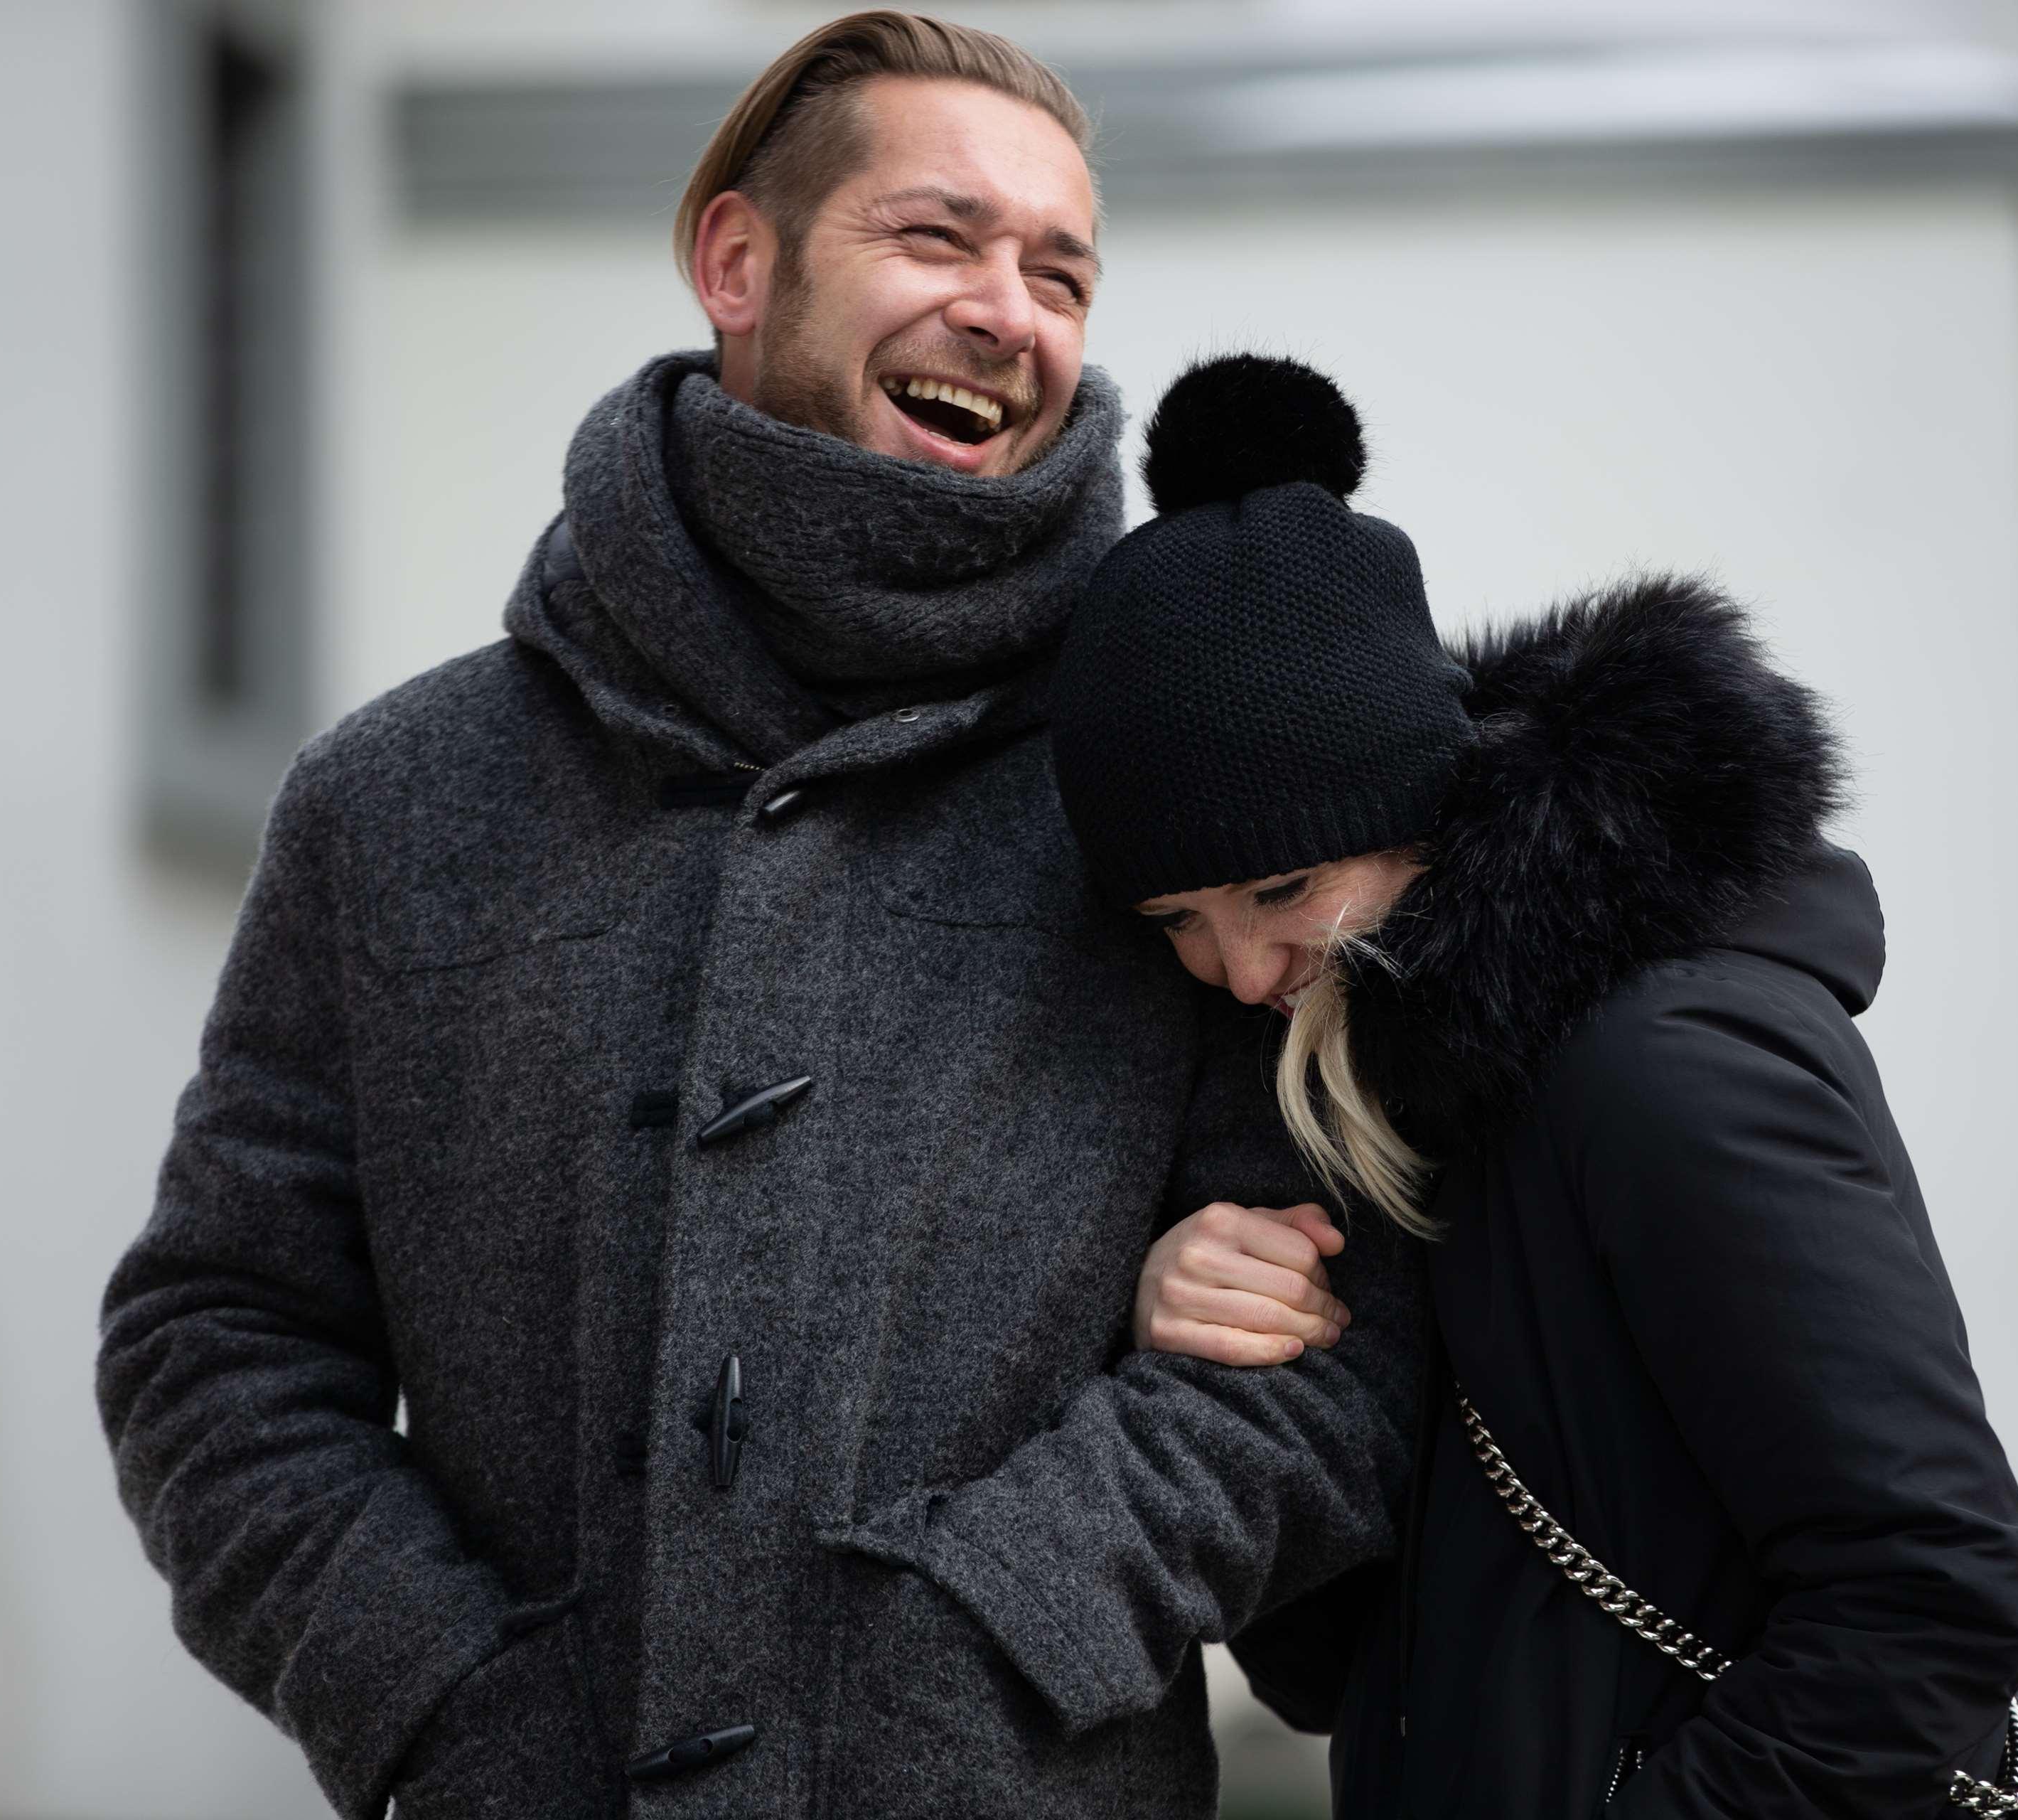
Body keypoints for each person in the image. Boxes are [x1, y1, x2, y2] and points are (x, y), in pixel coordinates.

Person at [95, 21, 1415, 1820]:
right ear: (737, 260)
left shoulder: (1176, 779)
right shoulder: (392, 800)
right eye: (939, 238)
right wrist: (440, 1696)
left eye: (1059, 272)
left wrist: (989, 1632)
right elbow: (218, 1341)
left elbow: (1348, 1333)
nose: (1006, 311)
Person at [1051, 355, 2018, 1817]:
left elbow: (1933, 1588)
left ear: (1412, 809)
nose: (1245, 967)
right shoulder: (1420, 1094)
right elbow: (1354, 1666)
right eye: (1179, 924)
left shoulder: (1658, 1066)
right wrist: (1212, 1341)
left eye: (1281, 887)